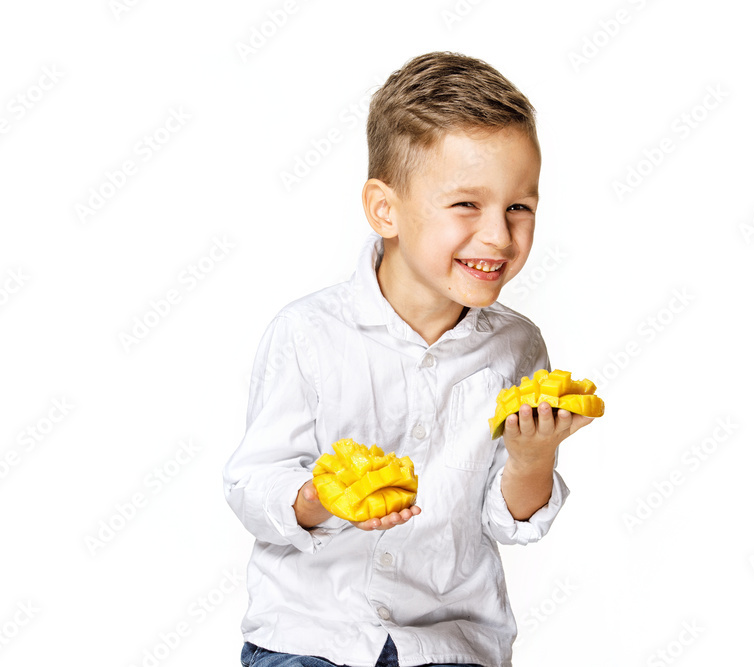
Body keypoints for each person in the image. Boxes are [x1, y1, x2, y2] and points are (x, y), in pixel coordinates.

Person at [223, 51, 596, 667]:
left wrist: (534, 456)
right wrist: (320, 497)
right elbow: (252, 484)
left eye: (519, 207)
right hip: (313, 639)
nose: (499, 235)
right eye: (466, 205)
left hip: (453, 643)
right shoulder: (308, 333)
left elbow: (508, 521)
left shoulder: (518, 346)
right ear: (384, 209)